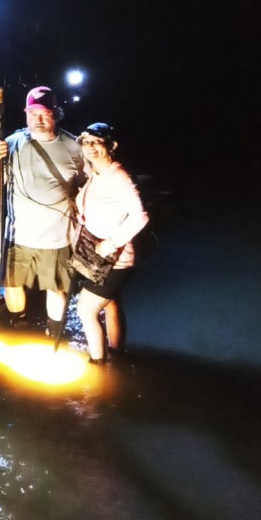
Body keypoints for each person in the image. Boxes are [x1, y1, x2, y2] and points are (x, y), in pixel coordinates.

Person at [0, 86, 84, 331]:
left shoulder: (75, 147)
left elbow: (86, 186)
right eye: (33, 112)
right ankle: (19, 326)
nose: (38, 119)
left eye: (45, 113)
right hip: (19, 235)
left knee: (56, 288)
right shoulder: (12, 143)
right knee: (12, 283)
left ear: (55, 113)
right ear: (26, 113)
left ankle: (55, 334)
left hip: (58, 235)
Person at [70, 122, 149, 364]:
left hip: (116, 259)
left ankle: (97, 366)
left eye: (97, 142)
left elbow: (141, 216)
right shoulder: (96, 173)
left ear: (112, 146)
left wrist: (111, 243)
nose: (90, 147)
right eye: (86, 142)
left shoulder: (118, 176)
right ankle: (117, 355)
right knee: (111, 303)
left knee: (86, 309)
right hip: (99, 257)